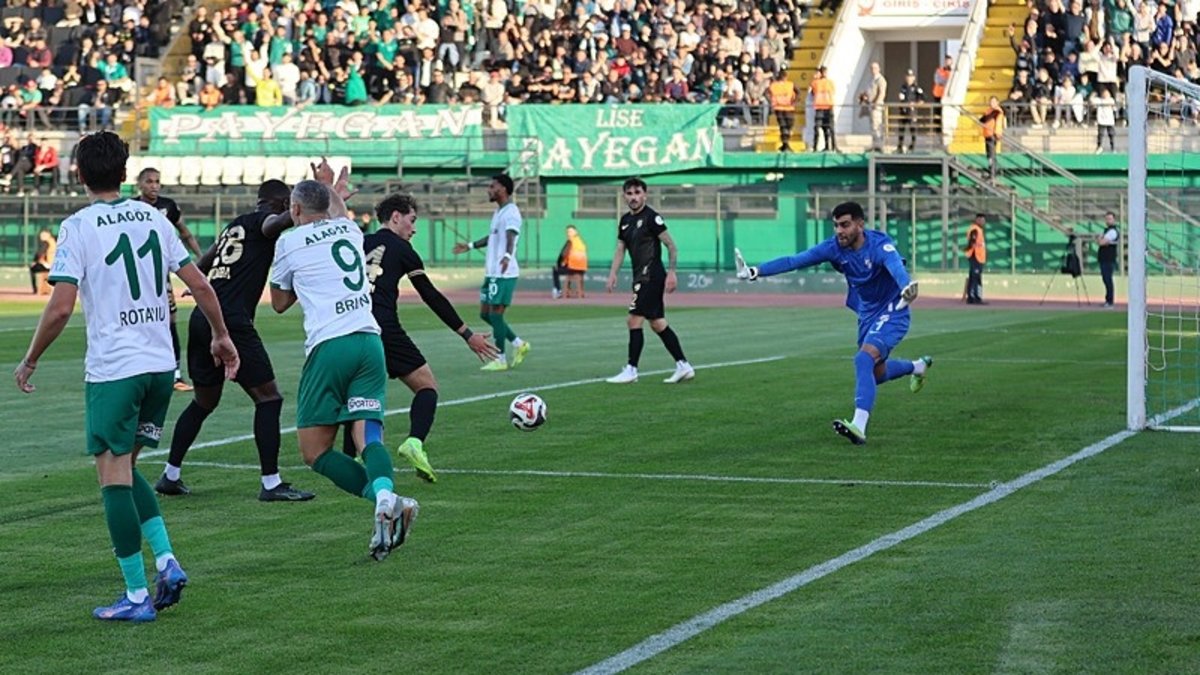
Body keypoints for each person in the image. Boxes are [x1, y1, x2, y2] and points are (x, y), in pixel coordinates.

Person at [13, 130, 239, 621]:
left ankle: (137, 596)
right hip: (160, 366)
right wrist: (221, 335)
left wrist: (30, 359)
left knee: (111, 477)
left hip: (115, 369)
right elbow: (197, 281)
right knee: (127, 467)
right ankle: (167, 560)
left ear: (78, 174)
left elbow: (60, 307)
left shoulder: (77, 226)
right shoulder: (154, 218)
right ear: (125, 171)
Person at [270, 166, 417, 562]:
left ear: (294, 208)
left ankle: (380, 500)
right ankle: (387, 497)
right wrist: (331, 188)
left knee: (314, 451)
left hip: (329, 345)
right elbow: (335, 213)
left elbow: (280, 302)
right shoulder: (350, 230)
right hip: (369, 341)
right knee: (367, 436)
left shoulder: (289, 241)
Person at [156, 180, 315, 502]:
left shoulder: (235, 225)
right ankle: (271, 483)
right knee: (269, 398)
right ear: (283, 203)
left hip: (204, 316)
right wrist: (295, 210)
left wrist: (197, 284)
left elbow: (207, 259)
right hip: (231, 322)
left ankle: (170, 475)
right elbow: (273, 223)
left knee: (204, 401)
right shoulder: (264, 221)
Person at [734, 201, 928, 445]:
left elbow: (896, 268)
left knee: (863, 359)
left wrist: (906, 288)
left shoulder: (880, 244)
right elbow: (795, 261)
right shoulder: (834, 247)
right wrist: (755, 272)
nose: (839, 231)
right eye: (836, 225)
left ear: (860, 224)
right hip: (867, 314)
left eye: (845, 225)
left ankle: (858, 426)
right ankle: (917, 366)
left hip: (894, 309)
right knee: (875, 374)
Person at [344, 194, 499, 482]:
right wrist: (467, 334)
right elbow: (430, 295)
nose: (414, 229)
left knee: (359, 394)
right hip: (384, 327)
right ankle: (414, 442)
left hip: (350, 326)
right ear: (395, 218)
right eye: (412, 220)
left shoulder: (359, 243)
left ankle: (351, 456)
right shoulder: (403, 250)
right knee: (427, 386)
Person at [603, 178, 695, 385]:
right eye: (629, 193)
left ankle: (631, 369)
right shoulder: (625, 220)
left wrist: (672, 272)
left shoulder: (652, 218)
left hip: (651, 274)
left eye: (637, 193)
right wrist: (612, 273)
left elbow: (671, 246)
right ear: (624, 196)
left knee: (633, 320)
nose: (634, 197)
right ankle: (683, 365)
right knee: (657, 323)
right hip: (640, 275)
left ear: (645, 194)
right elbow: (620, 249)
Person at [451, 174, 531, 371]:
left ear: (502, 189)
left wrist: (506, 256)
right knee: (485, 314)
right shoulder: (499, 212)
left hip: (504, 272)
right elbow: (493, 237)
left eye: (492, 186)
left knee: (495, 315)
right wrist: (470, 245)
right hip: (493, 272)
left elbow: (512, 236)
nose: (488, 189)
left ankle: (500, 358)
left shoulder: (511, 212)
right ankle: (519, 344)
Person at [136, 168, 201, 392]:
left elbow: (184, 232)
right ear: (139, 185)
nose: (154, 186)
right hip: (137, 274)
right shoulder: (132, 208)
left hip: (160, 273)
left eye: (157, 182)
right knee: (140, 320)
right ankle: (142, 369)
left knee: (170, 321)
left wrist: (202, 258)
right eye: (149, 182)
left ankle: (175, 374)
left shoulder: (168, 206)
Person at [768, 70, 800, 152]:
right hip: (784, 108)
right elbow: (798, 92)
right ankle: (785, 144)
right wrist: (795, 101)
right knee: (785, 127)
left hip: (782, 108)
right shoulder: (787, 84)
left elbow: (766, 93)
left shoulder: (776, 85)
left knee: (785, 127)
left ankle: (785, 144)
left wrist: (771, 101)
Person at [552, 224, 588, 299]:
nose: (568, 233)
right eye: (567, 232)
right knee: (566, 266)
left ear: (576, 232)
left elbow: (563, 255)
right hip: (582, 269)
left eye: (570, 231)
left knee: (555, 269)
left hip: (573, 268)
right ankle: (571, 290)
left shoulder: (570, 242)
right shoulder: (581, 242)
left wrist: (558, 264)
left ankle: (558, 291)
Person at [895, 69, 925, 154]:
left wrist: (915, 104)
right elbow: (901, 97)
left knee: (912, 128)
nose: (909, 78)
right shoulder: (903, 87)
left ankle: (913, 145)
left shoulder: (916, 88)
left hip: (911, 111)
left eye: (911, 77)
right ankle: (899, 146)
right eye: (908, 77)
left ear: (914, 78)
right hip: (903, 111)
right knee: (901, 128)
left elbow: (922, 100)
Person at [809, 66, 837, 152]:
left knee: (822, 127)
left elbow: (812, 93)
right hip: (826, 107)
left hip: (822, 107)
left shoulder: (815, 83)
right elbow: (833, 91)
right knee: (827, 128)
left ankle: (819, 147)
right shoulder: (830, 82)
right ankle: (830, 146)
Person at [1097, 210, 1119, 307]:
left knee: (1108, 280)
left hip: (1109, 259)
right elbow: (1100, 240)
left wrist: (1101, 239)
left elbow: (1101, 242)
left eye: (1110, 219)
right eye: (1107, 219)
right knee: (1105, 280)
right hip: (1104, 259)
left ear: (1114, 220)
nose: (1108, 221)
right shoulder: (1106, 231)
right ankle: (1108, 300)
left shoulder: (1113, 231)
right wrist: (1100, 239)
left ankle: (1110, 301)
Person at [980, 96, 1005, 180]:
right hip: (987, 134)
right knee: (989, 154)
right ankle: (991, 170)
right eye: (990, 101)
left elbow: (986, 119)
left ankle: (993, 172)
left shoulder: (997, 111)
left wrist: (985, 116)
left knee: (991, 154)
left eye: (994, 102)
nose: (992, 103)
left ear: (997, 102)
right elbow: (981, 120)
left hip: (993, 135)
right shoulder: (989, 111)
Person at [965, 213, 987, 305]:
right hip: (975, 256)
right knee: (974, 277)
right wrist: (973, 247)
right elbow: (972, 242)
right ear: (977, 220)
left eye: (984, 220)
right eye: (982, 220)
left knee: (977, 278)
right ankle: (972, 297)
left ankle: (977, 297)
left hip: (979, 257)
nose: (983, 222)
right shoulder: (975, 229)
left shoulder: (979, 230)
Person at [28, 228, 55, 294]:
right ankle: (44, 288)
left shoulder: (46, 242)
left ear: (48, 235)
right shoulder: (53, 241)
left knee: (32, 269)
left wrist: (35, 261)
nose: (41, 236)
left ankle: (35, 289)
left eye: (43, 234)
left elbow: (40, 253)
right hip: (54, 265)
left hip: (48, 265)